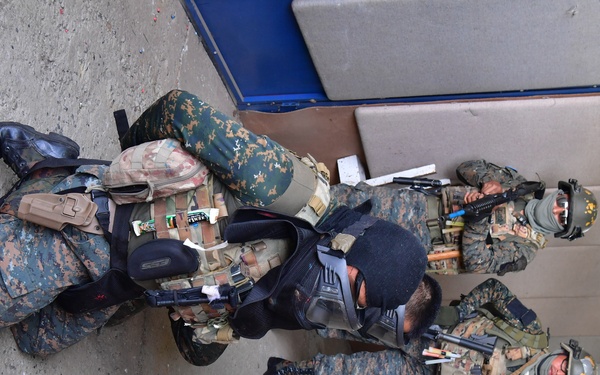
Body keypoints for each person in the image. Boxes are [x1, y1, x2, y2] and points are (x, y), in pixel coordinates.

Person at [0, 90, 440, 358]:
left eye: (357, 311)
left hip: (133, 279)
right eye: (354, 291)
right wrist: (122, 168)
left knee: (35, 342)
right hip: (97, 226)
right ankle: (55, 168)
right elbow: (179, 109)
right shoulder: (284, 189)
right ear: (350, 245)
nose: (343, 307)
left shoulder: (299, 297)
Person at [264, 278, 597, 375]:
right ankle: (282, 310)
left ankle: (288, 371)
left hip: (427, 372)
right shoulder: (531, 330)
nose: (558, 372)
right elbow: (495, 289)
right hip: (428, 330)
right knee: (349, 321)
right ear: (561, 354)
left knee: (353, 372)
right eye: (564, 365)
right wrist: (461, 315)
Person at [331, 160, 597, 275]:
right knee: (342, 200)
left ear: (560, 230)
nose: (555, 210)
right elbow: (465, 167)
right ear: (560, 194)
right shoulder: (519, 186)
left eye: (562, 217)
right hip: (417, 206)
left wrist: (478, 219)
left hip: (417, 246)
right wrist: (489, 183)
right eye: (562, 203)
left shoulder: (524, 251)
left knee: (341, 251)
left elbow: (475, 262)